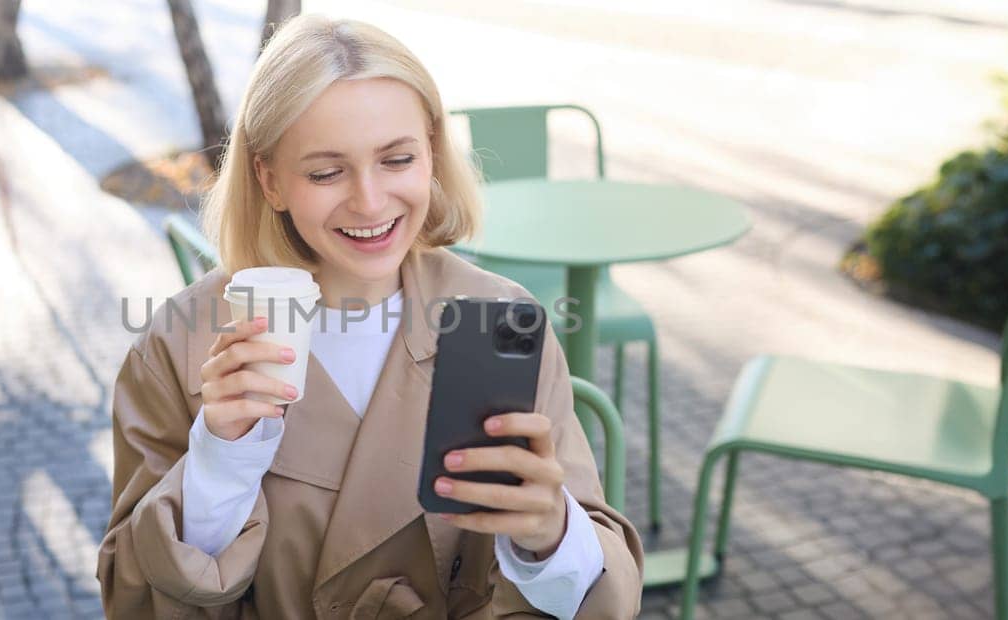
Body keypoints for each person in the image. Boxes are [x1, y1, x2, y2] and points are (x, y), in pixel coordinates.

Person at [98, 14, 643, 618]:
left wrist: (550, 535)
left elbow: (603, 594)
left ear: (432, 155)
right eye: (326, 172)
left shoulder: (500, 321)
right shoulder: (177, 347)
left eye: (396, 159)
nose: (370, 201)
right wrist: (218, 464)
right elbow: (133, 598)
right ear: (270, 179)